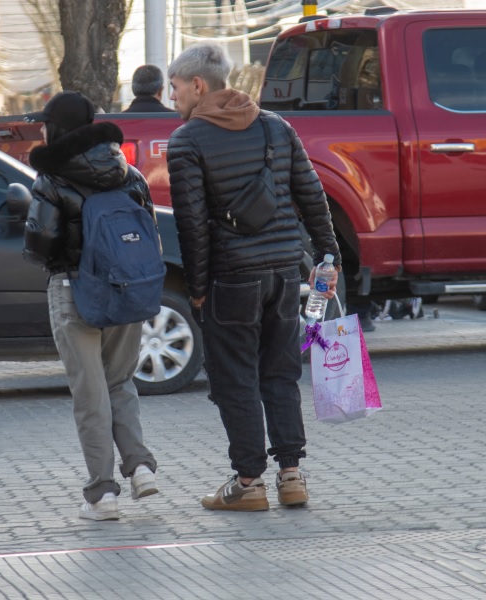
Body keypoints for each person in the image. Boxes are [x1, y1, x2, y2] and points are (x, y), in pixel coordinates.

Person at [166, 42, 340, 511]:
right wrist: (328, 258)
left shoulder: (187, 141)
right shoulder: (275, 126)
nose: (171, 96)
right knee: (280, 374)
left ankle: (248, 483)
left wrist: (197, 289)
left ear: (198, 85)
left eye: (175, 87)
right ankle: (292, 476)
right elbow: (312, 196)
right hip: (284, 273)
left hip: (231, 279)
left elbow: (192, 225)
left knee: (235, 380)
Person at [23, 91, 159, 520]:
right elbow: (149, 228)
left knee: (90, 392)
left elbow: (40, 241)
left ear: (57, 128)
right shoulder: (128, 172)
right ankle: (140, 467)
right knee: (120, 381)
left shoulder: (52, 179)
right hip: (126, 287)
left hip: (74, 289)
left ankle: (102, 495)